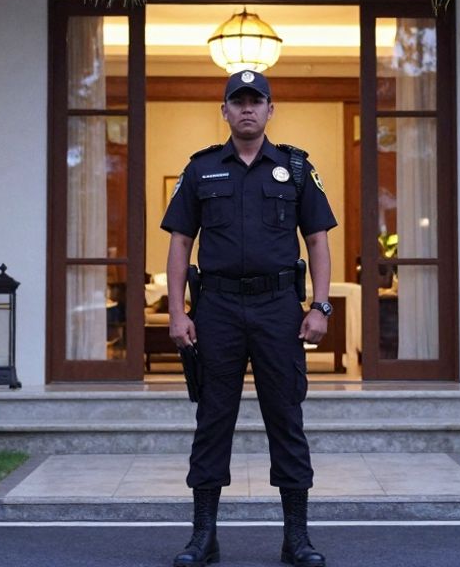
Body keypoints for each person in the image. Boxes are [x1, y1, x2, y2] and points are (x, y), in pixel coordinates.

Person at [160, 69, 337, 567]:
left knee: (286, 416)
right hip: (215, 309)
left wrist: (320, 306)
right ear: (224, 111)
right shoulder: (200, 171)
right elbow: (180, 244)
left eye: (255, 101)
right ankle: (203, 538)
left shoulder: (296, 169)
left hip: (279, 309)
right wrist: (177, 312)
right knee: (213, 419)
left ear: (269, 109)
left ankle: (296, 539)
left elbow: (318, 239)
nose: (247, 109)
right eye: (237, 101)